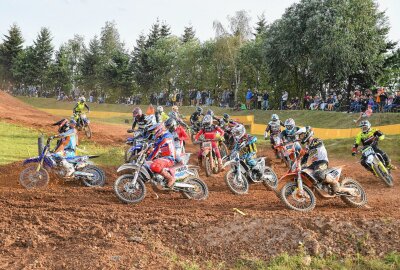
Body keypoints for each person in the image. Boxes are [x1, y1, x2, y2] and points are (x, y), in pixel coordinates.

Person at [296, 126, 356, 195]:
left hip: (322, 162)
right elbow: (304, 160)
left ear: (307, 134)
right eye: (300, 136)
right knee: (304, 173)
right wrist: (300, 164)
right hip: (314, 164)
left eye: (302, 135)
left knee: (318, 173)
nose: (301, 137)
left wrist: (306, 151)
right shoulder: (307, 147)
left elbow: (316, 145)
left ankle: (335, 182)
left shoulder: (316, 140)